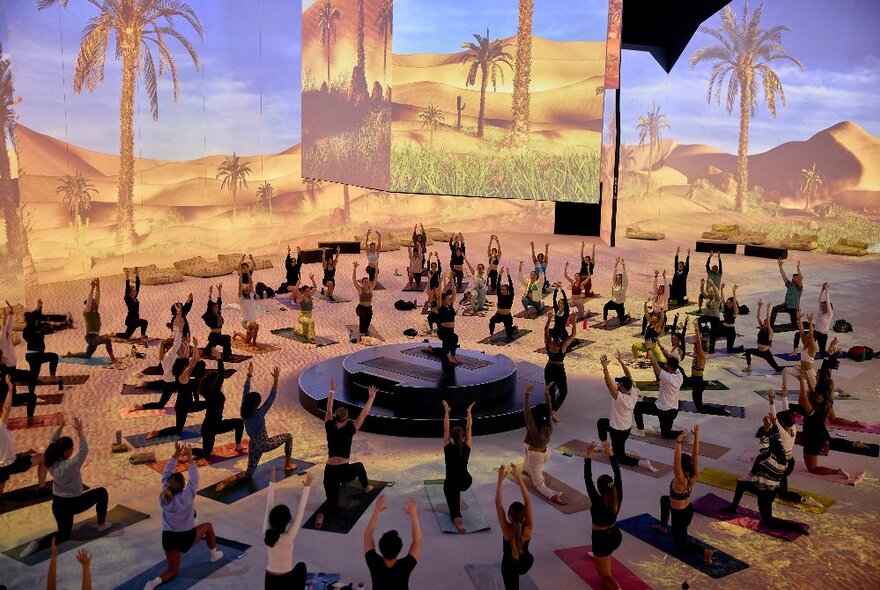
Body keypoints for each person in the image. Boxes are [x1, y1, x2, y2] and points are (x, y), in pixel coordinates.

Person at [20, 416, 111, 558]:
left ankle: (37, 544)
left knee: (63, 535)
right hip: (74, 503)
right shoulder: (70, 465)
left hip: (58, 505)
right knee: (102, 493)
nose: (73, 450)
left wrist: (60, 428)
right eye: (71, 449)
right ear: (66, 452)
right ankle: (101, 524)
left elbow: (52, 443)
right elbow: (84, 451)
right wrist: (80, 432)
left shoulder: (50, 460)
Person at [143, 443, 223, 590]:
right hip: (186, 538)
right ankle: (214, 555)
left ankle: (153, 583)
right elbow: (194, 479)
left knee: (172, 571)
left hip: (168, 539)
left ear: (169, 484)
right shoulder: (187, 496)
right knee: (208, 527)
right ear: (182, 486)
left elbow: (166, 472)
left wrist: (176, 455)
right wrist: (190, 458)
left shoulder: (164, 495)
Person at [721, 411, 806, 533]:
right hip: (767, 487)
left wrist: (767, 428)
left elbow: (763, 447)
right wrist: (769, 427)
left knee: (768, 520)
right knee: (741, 484)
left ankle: (793, 527)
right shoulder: (783, 460)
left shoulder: (770, 459)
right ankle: (733, 507)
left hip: (765, 492)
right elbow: (768, 444)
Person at [215, 365, 296, 491]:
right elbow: (271, 398)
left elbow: (245, 391)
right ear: (257, 404)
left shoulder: (244, 411)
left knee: (249, 473)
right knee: (288, 437)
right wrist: (275, 380)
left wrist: (249, 375)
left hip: (253, 446)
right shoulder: (259, 413)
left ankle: (226, 482)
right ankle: (288, 464)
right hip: (265, 444)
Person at [316, 381, 377, 529]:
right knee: (359, 466)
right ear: (347, 418)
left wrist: (331, 391)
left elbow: (329, 408)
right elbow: (363, 414)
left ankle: (322, 514)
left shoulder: (329, 425)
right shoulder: (350, 428)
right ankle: (366, 487)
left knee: (332, 503)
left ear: (336, 417)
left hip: (329, 472)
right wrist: (371, 398)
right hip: (344, 472)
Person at [792, 370, 859, 479]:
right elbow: (812, 392)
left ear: (812, 403)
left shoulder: (811, 412)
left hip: (812, 440)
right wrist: (806, 379)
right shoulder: (824, 404)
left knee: (812, 468)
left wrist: (801, 382)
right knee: (787, 437)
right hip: (814, 435)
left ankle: (837, 472)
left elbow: (804, 397)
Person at [596, 354, 657, 472]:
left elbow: (608, 384)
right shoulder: (632, 394)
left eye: (619, 384)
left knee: (620, 457)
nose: (617, 385)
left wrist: (605, 368)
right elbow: (629, 377)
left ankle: (642, 463)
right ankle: (604, 445)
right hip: (624, 428)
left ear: (623, 387)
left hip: (617, 431)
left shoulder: (620, 398)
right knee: (602, 423)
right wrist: (621, 362)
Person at [144, 336, 206, 441]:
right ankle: (157, 433)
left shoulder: (177, 372)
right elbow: (193, 362)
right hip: (185, 406)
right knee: (178, 429)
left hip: (183, 404)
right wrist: (195, 346)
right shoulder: (183, 376)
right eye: (186, 366)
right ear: (184, 367)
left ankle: (157, 432)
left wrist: (187, 345)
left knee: (210, 404)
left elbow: (185, 357)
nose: (188, 366)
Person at [653, 426, 702, 557]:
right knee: (664, 500)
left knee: (682, 546)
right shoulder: (694, 475)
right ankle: (663, 527)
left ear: (681, 468)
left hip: (680, 516)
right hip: (687, 509)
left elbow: (676, 460)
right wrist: (696, 435)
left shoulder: (680, 479)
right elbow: (695, 455)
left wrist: (679, 440)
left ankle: (705, 552)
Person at [264, 467, 315, 590]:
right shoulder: (287, 537)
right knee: (301, 567)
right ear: (287, 521)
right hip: (287, 582)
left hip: (269, 581)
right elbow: (300, 512)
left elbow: (269, 505)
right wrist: (307, 487)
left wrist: (272, 482)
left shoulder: (267, 533)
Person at [583, 440, 624, 590]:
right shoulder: (617, 496)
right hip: (615, 535)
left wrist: (588, 456)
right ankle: (600, 556)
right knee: (603, 555)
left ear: (599, 489)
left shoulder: (597, 501)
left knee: (604, 577)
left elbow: (587, 479)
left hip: (602, 541)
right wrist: (611, 454)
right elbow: (617, 474)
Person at [0, 375, 48, 496]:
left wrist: (22, 454)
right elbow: (7, 407)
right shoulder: (0, 426)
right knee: (44, 457)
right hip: (10, 464)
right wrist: (10, 389)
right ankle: (42, 489)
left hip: (3, 467)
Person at [191, 356, 244, 460]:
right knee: (206, 453)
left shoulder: (206, 390)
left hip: (210, 426)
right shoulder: (213, 391)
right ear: (213, 383)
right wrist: (219, 359)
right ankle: (186, 451)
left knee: (239, 423)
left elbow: (220, 376)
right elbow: (221, 375)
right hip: (212, 427)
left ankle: (238, 445)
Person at [364, 496, 422, 590]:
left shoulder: (373, 562)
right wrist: (414, 516)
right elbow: (417, 541)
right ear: (400, 548)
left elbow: (368, 535)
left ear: (380, 546)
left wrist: (376, 512)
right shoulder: (405, 566)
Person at [522, 384, 565, 505]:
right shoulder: (549, 426)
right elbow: (549, 408)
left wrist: (527, 395)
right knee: (526, 446)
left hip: (536, 456)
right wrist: (547, 394)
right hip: (546, 452)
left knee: (539, 484)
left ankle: (552, 496)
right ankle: (526, 469)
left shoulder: (533, 428)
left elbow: (527, 412)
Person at [495, 463, 534, 590]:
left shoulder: (507, 531)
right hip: (525, 563)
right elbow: (527, 501)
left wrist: (500, 480)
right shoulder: (528, 529)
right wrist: (518, 477)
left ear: (509, 517)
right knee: (519, 563)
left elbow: (498, 503)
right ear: (523, 516)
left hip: (509, 568)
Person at [66, 279, 119, 364]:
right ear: (90, 305)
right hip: (90, 338)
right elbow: (90, 300)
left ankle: (70, 355)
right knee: (107, 339)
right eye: (93, 303)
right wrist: (92, 288)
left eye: (95, 303)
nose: (96, 304)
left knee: (87, 355)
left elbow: (98, 297)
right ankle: (113, 359)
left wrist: (98, 285)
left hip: (95, 337)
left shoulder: (96, 312)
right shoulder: (87, 313)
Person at [633, 351, 683, 439]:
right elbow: (672, 361)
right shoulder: (679, 374)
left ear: (670, 367)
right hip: (673, 411)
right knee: (665, 434)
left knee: (637, 407)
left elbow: (656, 366)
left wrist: (649, 350)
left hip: (663, 410)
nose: (665, 365)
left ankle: (640, 431)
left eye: (667, 364)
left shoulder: (668, 378)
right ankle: (682, 433)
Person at [442, 400, 474, 534]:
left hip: (452, 483)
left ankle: (458, 520)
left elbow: (445, 429)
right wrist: (469, 412)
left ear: (452, 438)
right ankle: (457, 517)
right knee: (457, 485)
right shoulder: (467, 447)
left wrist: (446, 412)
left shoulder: (448, 447)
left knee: (454, 507)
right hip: (466, 481)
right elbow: (469, 428)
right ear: (462, 437)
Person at [685, 319, 730, 416]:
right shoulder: (697, 355)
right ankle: (707, 383)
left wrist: (696, 329)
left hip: (697, 382)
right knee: (681, 380)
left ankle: (720, 410)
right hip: (694, 380)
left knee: (699, 407)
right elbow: (698, 342)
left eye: (695, 347)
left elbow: (698, 342)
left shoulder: (702, 356)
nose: (693, 348)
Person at [544, 310, 577, 414]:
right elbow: (573, 334)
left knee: (551, 391)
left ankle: (551, 410)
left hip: (549, 368)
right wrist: (574, 322)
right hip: (558, 370)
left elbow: (545, 330)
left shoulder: (549, 343)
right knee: (563, 392)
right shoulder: (562, 346)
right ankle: (554, 410)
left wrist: (549, 319)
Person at [422, 281, 461, 366]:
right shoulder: (441, 307)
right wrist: (440, 282)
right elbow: (439, 296)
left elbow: (454, 294)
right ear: (443, 301)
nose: (450, 300)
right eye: (448, 299)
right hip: (443, 331)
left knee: (444, 352)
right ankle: (453, 357)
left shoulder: (450, 306)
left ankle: (431, 349)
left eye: (450, 299)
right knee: (454, 338)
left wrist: (453, 283)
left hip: (450, 331)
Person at [782, 311, 819, 390]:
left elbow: (811, 335)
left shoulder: (813, 348)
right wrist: (799, 320)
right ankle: (784, 388)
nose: (805, 337)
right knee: (785, 370)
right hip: (801, 370)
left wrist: (810, 324)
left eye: (807, 337)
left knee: (816, 388)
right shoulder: (805, 343)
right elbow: (801, 332)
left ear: (812, 340)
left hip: (809, 372)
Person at [793, 282, 832, 357]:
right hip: (815, 332)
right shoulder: (821, 312)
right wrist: (822, 290)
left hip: (823, 335)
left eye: (824, 306)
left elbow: (828, 301)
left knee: (822, 353)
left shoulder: (829, 314)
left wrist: (827, 290)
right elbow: (819, 300)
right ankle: (795, 351)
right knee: (798, 334)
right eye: (822, 306)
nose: (822, 307)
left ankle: (833, 355)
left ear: (827, 307)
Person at [744, 300, 784, 373]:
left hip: (766, 353)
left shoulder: (770, 332)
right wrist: (759, 308)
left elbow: (768, 320)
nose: (764, 323)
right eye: (764, 322)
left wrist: (768, 309)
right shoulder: (762, 328)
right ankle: (749, 366)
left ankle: (793, 367)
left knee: (777, 368)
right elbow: (758, 318)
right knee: (748, 351)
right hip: (759, 351)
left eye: (766, 323)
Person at [709, 284, 743, 354]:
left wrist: (734, 292)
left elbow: (735, 303)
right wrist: (721, 289)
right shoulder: (726, 308)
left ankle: (740, 348)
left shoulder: (735, 311)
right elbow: (722, 299)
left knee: (729, 351)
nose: (728, 304)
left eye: (729, 303)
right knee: (712, 334)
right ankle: (711, 350)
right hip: (723, 328)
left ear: (733, 304)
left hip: (731, 332)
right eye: (727, 303)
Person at [770, 258, 803, 328]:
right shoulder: (789, 285)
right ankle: (770, 325)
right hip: (786, 306)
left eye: (795, 278)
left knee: (794, 326)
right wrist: (780, 266)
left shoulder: (799, 288)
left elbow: (801, 277)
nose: (793, 279)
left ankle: (802, 324)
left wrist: (798, 268)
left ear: (798, 280)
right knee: (775, 309)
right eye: (793, 278)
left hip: (794, 309)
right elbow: (783, 275)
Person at [202, 284, 232, 361]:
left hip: (218, 336)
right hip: (213, 336)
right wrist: (210, 293)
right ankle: (226, 356)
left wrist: (219, 291)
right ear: (212, 309)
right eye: (215, 307)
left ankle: (227, 355)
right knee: (227, 338)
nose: (217, 308)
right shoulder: (211, 315)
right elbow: (209, 306)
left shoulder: (218, 314)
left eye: (217, 307)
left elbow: (219, 302)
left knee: (226, 342)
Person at [488, 268, 517, 341]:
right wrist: (500, 275)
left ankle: (514, 328)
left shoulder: (510, 296)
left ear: (507, 290)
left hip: (507, 317)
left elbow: (511, 287)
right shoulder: (499, 295)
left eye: (505, 290)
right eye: (502, 290)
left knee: (509, 334)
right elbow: (498, 286)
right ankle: (491, 335)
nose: (503, 291)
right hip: (499, 315)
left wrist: (508, 276)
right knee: (492, 320)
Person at [353, 261, 379, 341]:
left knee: (368, 319)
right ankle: (361, 331)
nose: (367, 283)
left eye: (367, 282)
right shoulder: (360, 289)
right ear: (362, 283)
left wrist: (376, 268)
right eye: (365, 282)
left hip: (368, 308)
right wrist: (355, 268)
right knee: (363, 316)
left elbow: (376, 278)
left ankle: (365, 330)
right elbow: (353, 279)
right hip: (360, 308)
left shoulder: (370, 288)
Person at [290, 275, 318, 344]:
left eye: (309, 291)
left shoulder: (310, 296)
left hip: (308, 316)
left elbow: (315, 287)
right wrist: (298, 281)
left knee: (304, 333)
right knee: (311, 322)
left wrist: (312, 279)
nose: (308, 292)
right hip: (302, 317)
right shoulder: (301, 297)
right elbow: (296, 290)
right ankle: (312, 338)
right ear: (304, 291)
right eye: (307, 291)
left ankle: (296, 330)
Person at [602, 258, 629, 326]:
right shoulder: (614, 283)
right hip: (613, 302)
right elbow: (614, 274)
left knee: (622, 322)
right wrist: (616, 265)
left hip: (619, 305)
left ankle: (627, 316)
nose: (617, 279)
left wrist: (623, 266)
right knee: (605, 307)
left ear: (622, 279)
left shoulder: (624, 286)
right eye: (617, 278)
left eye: (619, 278)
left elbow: (625, 276)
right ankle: (605, 321)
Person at [641, 269, 668, 335]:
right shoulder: (656, 294)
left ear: (664, 291)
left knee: (661, 323)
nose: (659, 289)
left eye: (661, 289)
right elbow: (654, 285)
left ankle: (663, 329)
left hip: (661, 313)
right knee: (645, 317)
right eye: (659, 288)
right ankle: (643, 331)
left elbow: (666, 287)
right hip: (654, 312)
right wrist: (656, 276)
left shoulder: (665, 296)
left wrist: (664, 277)